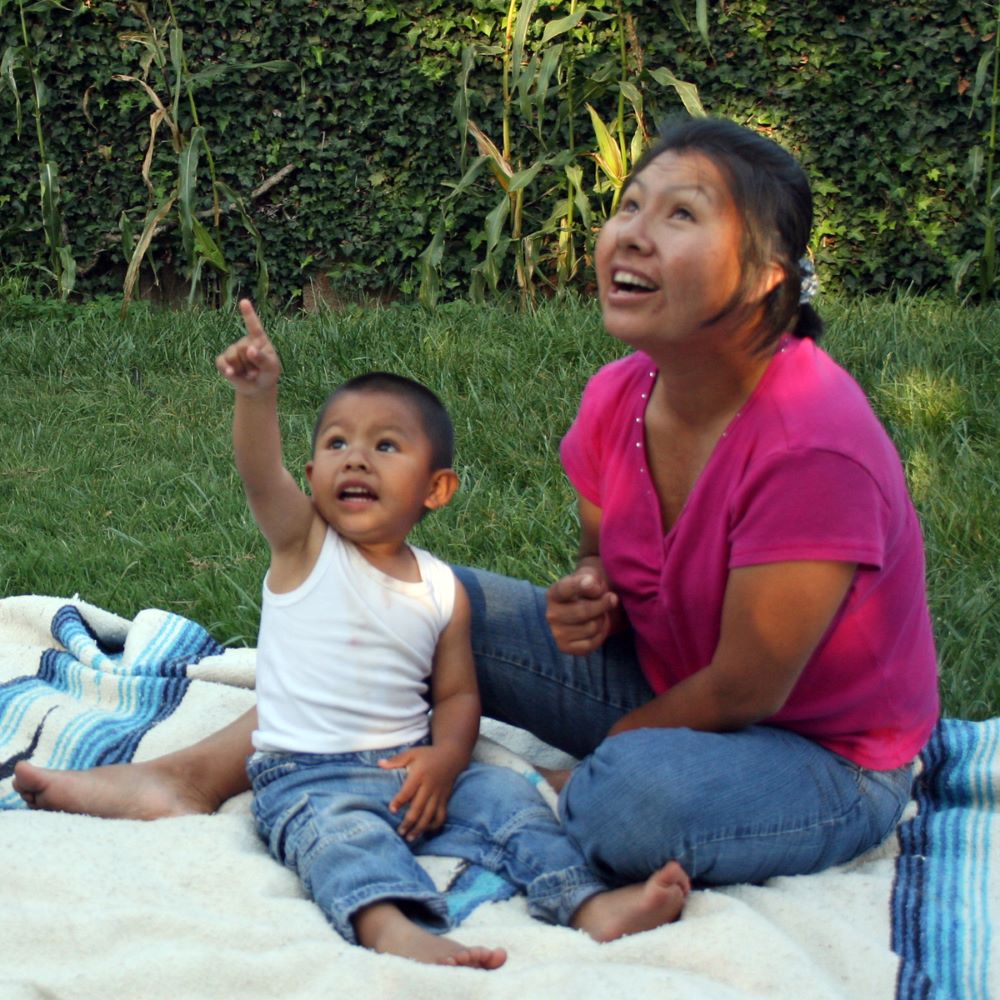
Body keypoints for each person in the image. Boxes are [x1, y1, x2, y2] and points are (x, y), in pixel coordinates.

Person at [15, 116, 938, 893]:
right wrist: (588, 593)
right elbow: (605, 572)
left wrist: (595, 755)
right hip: (668, 679)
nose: (632, 234)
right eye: (628, 207)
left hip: (822, 754)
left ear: (770, 273)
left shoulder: (813, 441)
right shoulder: (621, 395)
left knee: (629, 800)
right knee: (412, 593)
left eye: (681, 215)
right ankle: (192, 775)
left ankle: (578, 793)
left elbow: (750, 687)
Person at [102, 301, 689, 969]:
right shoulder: (304, 545)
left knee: (509, 800)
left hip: (409, 768)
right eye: (337, 444)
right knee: (340, 841)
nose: (356, 460)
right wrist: (256, 396)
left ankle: (586, 904)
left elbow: (458, 696)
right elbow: (260, 473)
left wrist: (445, 761)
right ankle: (392, 927)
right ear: (315, 472)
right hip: (310, 775)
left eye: (385, 446)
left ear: (436, 489)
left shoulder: (441, 589)